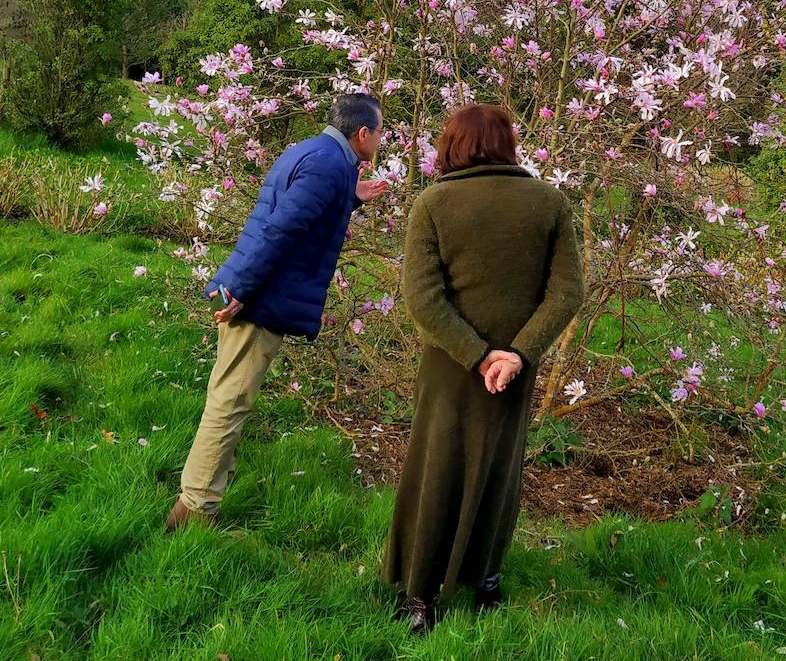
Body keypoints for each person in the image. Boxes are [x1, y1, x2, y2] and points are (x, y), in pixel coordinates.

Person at [382, 103, 585, 631]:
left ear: (452, 145)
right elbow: (568, 293)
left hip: (452, 364)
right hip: (513, 368)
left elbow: (422, 300)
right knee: (499, 468)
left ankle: (420, 598)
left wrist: (475, 354)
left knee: (437, 468)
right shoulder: (549, 202)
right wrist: (516, 354)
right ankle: (486, 580)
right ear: (508, 144)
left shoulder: (435, 203)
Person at [165, 93, 389, 531]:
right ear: (362, 133)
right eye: (381, 132)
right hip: (258, 298)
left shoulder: (316, 154)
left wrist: (351, 196)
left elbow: (300, 213)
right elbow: (279, 230)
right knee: (230, 403)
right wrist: (241, 290)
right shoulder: (328, 165)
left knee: (228, 397)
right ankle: (194, 511)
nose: (382, 140)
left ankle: (199, 501)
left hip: (255, 291)